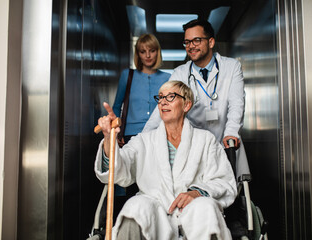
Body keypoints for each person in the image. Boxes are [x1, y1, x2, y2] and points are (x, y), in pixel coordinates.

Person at [95, 81, 237, 240]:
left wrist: (198, 193)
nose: (163, 102)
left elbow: (225, 182)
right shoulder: (143, 141)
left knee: (206, 207)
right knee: (135, 206)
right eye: (161, 97)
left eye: (171, 97)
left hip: (192, 211)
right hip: (155, 212)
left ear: (186, 105)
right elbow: (117, 170)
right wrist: (109, 138)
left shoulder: (206, 140)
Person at [143, 19, 248, 177]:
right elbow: (164, 107)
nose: (191, 46)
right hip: (194, 148)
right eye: (187, 42)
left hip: (225, 142)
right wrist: (142, 139)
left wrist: (231, 132)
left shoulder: (231, 67)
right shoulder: (180, 73)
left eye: (196, 40)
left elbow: (236, 103)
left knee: (229, 191)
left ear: (211, 42)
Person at [113, 33, 170, 146]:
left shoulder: (167, 78)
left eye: (152, 51)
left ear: (157, 52)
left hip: (160, 133)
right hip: (131, 134)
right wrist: (116, 132)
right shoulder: (127, 75)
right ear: (138, 54)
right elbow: (116, 106)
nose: (148, 55)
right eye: (143, 52)